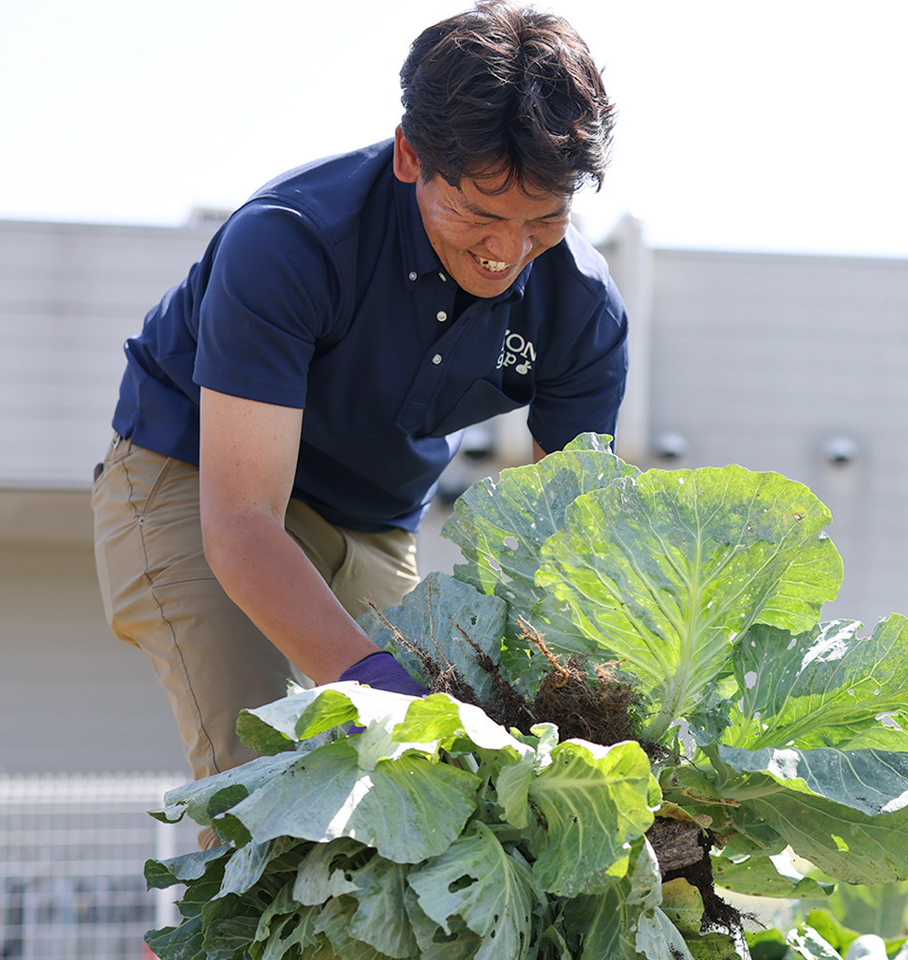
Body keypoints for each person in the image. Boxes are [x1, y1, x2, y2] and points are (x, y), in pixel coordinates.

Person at [91, 1, 628, 789]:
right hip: (195, 481)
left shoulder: (584, 308)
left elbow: (570, 554)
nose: (506, 253)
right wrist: (373, 682)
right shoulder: (290, 241)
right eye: (480, 215)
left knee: (437, 791)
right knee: (267, 785)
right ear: (411, 155)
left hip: (374, 523)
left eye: (542, 221)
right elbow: (242, 525)